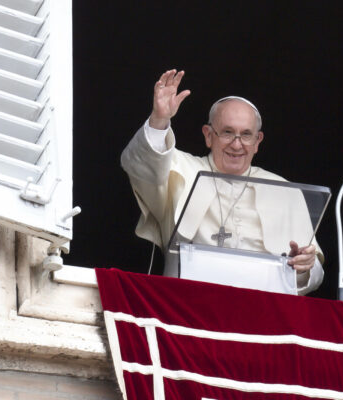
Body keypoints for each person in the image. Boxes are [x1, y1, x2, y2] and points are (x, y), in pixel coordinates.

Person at [121, 69, 324, 295]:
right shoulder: (180, 169)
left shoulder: (285, 191)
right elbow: (142, 166)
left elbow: (313, 275)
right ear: (208, 135)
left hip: (263, 315)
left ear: (258, 141)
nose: (237, 145)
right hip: (189, 306)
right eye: (227, 132)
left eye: (246, 135)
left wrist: (304, 268)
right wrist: (160, 119)